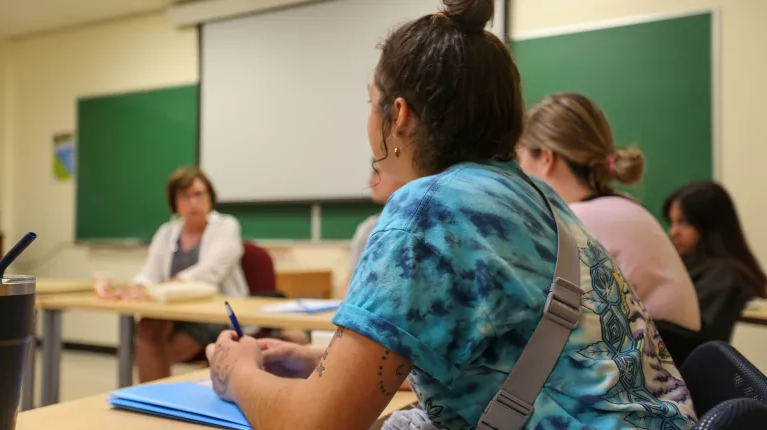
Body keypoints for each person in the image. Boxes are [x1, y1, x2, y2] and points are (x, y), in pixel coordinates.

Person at [205, 1, 696, 429]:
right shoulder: (542, 202)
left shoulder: (427, 209)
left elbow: (314, 424)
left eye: (370, 103)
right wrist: (316, 360)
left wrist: (237, 371)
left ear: (397, 114)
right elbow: (494, 357)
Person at [517, 92, 701, 332]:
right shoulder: (622, 204)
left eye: (520, 158)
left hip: (652, 359)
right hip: (674, 356)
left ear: (546, 157)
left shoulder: (576, 220)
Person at [133, 166, 248, 382]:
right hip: (175, 312)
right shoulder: (167, 232)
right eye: (185, 197)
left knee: (164, 347)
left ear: (210, 197)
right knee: (147, 326)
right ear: (175, 203)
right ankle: (152, 400)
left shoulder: (226, 226)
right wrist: (138, 287)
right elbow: (150, 273)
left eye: (199, 194)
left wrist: (170, 285)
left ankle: (162, 395)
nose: (193, 202)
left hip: (214, 314)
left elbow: (209, 273)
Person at [664, 181, 767, 342]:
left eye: (683, 222)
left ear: (709, 224)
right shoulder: (685, 268)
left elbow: (689, 338)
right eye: (672, 222)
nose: (673, 232)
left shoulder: (724, 275)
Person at [343, 166, 406, 297]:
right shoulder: (368, 228)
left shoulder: (425, 225)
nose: (370, 182)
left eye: (377, 173)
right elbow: (348, 289)